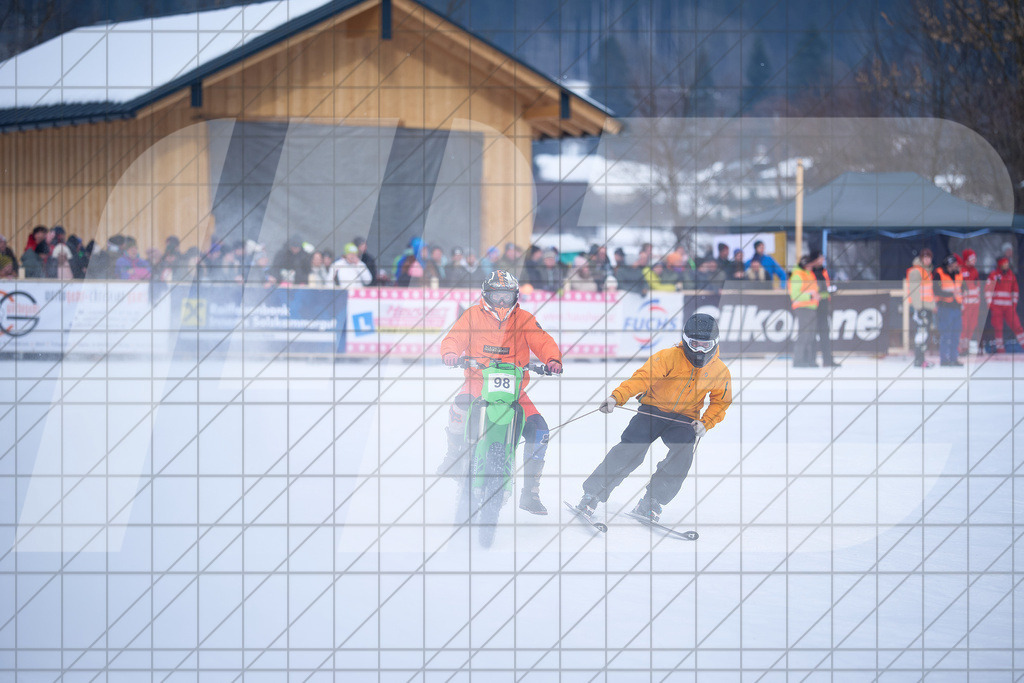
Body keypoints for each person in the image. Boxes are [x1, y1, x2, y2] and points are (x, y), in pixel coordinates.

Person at [575, 313, 732, 522]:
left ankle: (652, 501)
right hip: (652, 411)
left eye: (706, 345)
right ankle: (592, 494)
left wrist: (706, 422)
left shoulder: (720, 371)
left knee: (682, 455)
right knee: (630, 450)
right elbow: (642, 378)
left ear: (715, 343)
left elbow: (721, 402)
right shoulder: (668, 357)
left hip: (684, 419)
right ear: (685, 341)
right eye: (695, 344)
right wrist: (617, 397)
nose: (700, 350)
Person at [437, 270, 563, 515]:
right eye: (498, 296)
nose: (502, 302)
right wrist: (451, 353)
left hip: (514, 391)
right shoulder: (472, 315)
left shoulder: (524, 319)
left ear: (515, 296)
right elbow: (454, 338)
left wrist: (552, 359)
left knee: (541, 432)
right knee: (460, 407)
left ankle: (530, 494)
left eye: (507, 296)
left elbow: (543, 340)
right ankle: (453, 455)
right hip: (477, 383)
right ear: (487, 295)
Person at [985, 257, 1024, 353]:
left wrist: (1013, 304)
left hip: (1009, 307)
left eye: (1007, 264)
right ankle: (1000, 348)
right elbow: (987, 290)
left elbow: (1015, 291)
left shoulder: (1011, 276)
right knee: (998, 328)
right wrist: (991, 305)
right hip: (996, 307)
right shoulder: (993, 275)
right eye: (1004, 264)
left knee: (1017, 326)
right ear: (1000, 265)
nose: (1006, 265)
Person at [789, 253, 821, 367]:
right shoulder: (797, 275)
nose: (811, 266)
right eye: (809, 264)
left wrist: (817, 295)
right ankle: (798, 360)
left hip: (812, 307)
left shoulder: (810, 274)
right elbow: (795, 295)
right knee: (804, 334)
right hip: (802, 307)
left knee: (811, 335)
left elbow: (814, 290)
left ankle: (809, 360)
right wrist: (811, 296)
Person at [905, 248, 935, 368]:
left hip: (927, 307)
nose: (928, 260)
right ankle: (919, 360)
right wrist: (918, 309)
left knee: (924, 334)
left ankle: (922, 359)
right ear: (921, 258)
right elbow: (914, 291)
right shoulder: (916, 271)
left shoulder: (927, 271)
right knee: (921, 333)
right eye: (925, 257)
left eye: (929, 257)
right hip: (920, 307)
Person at [932, 253, 963, 366]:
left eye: (955, 265)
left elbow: (962, 288)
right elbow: (936, 290)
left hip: (957, 308)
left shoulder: (959, 274)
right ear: (947, 266)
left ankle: (954, 358)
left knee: (956, 335)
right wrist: (950, 294)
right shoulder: (939, 274)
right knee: (946, 335)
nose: (954, 267)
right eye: (952, 265)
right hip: (945, 308)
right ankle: (944, 360)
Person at [811, 250, 839, 367]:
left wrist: (829, 291)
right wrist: (825, 292)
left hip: (823, 306)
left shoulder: (823, 271)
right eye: (820, 258)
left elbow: (825, 287)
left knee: (825, 334)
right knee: (811, 335)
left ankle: (827, 360)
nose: (822, 261)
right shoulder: (810, 272)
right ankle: (811, 360)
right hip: (813, 307)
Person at [959, 249, 982, 355]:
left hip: (975, 304)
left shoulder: (975, 271)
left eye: (974, 259)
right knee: (964, 326)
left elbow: (977, 286)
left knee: (972, 326)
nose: (974, 261)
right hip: (966, 304)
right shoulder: (961, 271)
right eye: (972, 259)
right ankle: (960, 348)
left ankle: (966, 348)